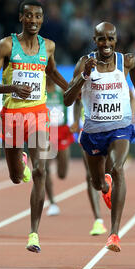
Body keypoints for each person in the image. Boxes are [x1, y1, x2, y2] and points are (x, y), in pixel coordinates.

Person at [0, 0, 69, 253]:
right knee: (17, 177)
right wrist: (12, 87)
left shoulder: (48, 46)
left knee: (41, 170)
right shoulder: (7, 45)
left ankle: (34, 233)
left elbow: (51, 72)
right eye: (28, 16)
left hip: (39, 114)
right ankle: (20, 164)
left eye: (38, 17)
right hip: (12, 116)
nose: (33, 21)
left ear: (42, 20)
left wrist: (72, 87)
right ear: (21, 18)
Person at [63, 22, 135, 252]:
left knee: (118, 168)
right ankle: (104, 184)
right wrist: (84, 76)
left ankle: (114, 233)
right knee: (97, 182)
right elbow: (68, 99)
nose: (107, 44)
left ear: (116, 40)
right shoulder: (84, 62)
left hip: (120, 126)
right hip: (92, 131)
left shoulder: (126, 60)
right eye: (102, 39)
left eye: (111, 39)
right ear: (94, 40)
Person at [72, 97, 108, 235]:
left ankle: (107, 189)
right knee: (90, 175)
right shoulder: (84, 76)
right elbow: (77, 99)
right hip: (87, 130)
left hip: (109, 129)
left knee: (107, 172)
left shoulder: (110, 76)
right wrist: (76, 120)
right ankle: (98, 220)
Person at [45, 76, 75, 216]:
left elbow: (77, 99)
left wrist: (75, 121)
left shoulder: (61, 89)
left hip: (62, 130)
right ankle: (52, 202)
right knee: (43, 169)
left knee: (62, 174)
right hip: (44, 132)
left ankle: (58, 163)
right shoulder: (38, 91)